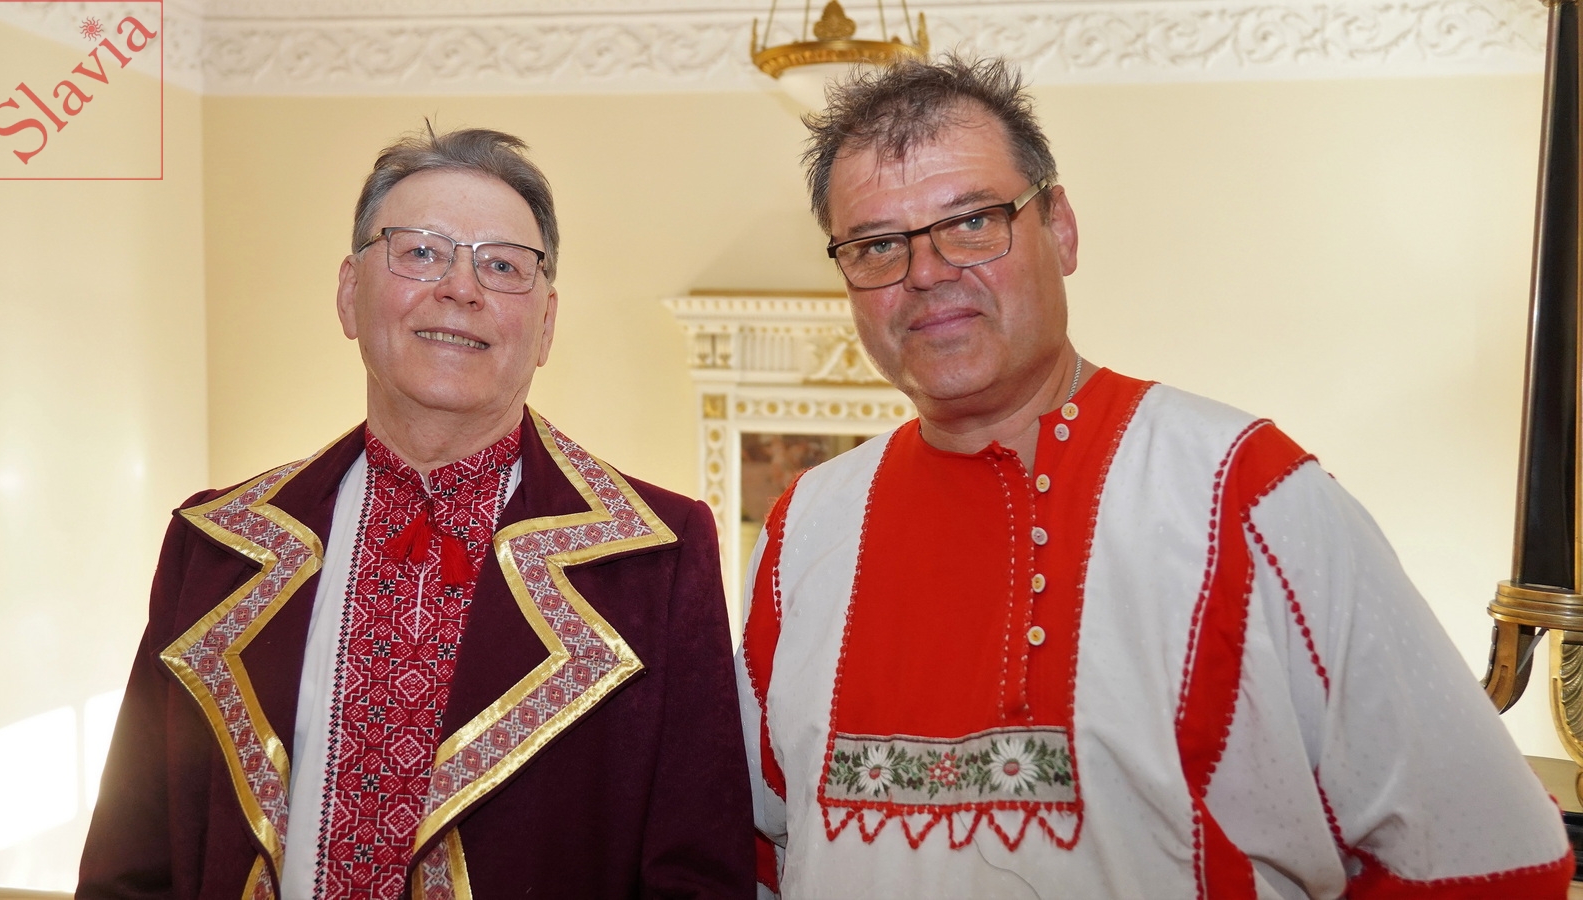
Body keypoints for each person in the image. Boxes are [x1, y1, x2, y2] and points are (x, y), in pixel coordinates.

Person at [736, 57, 1574, 898]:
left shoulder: (1242, 494)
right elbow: (752, 849)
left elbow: (1491, 856)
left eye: (974, 222)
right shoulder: (805, 528)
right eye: (878, 244)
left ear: (1061, 228)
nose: (926, 272)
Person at [79, 126, 753, 899]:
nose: (461, 288)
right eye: (422, 252)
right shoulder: (214, 548)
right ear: (348, 294)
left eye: (503, 265)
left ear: (545, 325)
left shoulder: (655, 559)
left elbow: (698, 876)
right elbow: (130, 865)